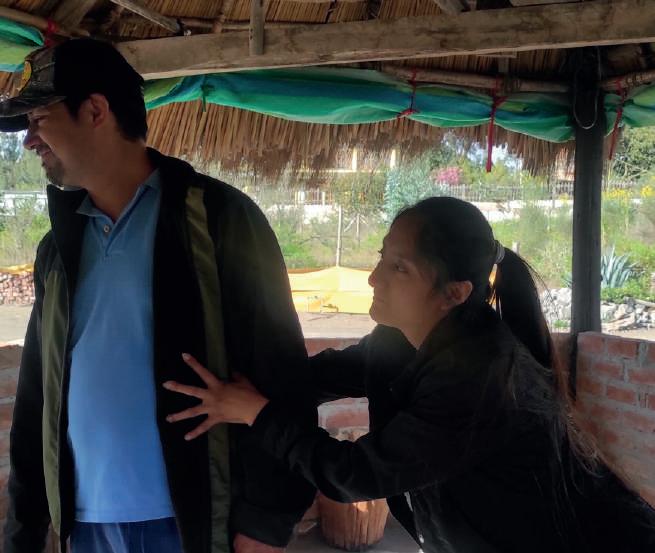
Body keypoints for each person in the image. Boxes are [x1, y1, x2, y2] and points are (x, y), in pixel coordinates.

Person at [165, 197, 655, 553]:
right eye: (382, 257)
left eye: (399, 268)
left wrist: (257, 412)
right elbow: (321, 374)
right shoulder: (403, 339)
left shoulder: (479, 375)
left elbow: (355, 474)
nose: (374, 277)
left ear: (454, 293)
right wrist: (242, 381)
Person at [0, 39, 315, 553]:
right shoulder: (57, 248)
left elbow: (281, 372)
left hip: (192, 522)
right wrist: (24, 532)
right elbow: (39, 395)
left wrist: (267, 522)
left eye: (38, 119)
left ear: (95, 111)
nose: (29, 141)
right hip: (87, 526)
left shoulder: (217, 219)